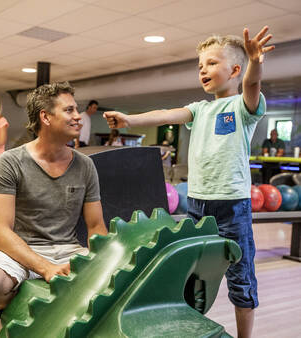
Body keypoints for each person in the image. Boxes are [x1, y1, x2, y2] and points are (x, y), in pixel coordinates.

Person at [104, 26, 275, 338]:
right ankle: (187, 328)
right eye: (200, 66)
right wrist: (130, 120)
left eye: (211, 63)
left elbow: (251, 84)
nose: (203, 70)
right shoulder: (199, 109)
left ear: (235, 69)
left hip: (232, 205)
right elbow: (166, 113)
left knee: (241, 276)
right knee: (191, 274)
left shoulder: (241, 108)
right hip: (197, 203)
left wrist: (256, 61)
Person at [0, 82, 108, 312]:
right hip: (21, 252)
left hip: (69, 250)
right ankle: (28, 296)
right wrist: (46, 268)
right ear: (46, 117)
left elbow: (96, 226)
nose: (78, 117)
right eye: (69, 110)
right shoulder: (11, 161)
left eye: (76, 109)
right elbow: (0, 233)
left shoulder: (85, 166)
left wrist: (101, 261)